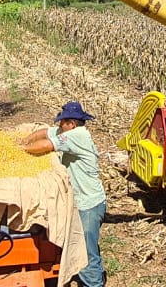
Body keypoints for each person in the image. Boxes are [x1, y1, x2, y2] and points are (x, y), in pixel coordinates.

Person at [21, 101, 106, 287]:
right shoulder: (67, 131)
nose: (59, 125)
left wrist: (20, 150)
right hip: (81, 201)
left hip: (89, 204)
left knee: (86, 251)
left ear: (72, 124)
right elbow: (44, 132)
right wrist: (25, 140)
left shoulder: (77, 136)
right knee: (82, 245)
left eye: (62, 122)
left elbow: (46, 145)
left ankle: (93, 283)